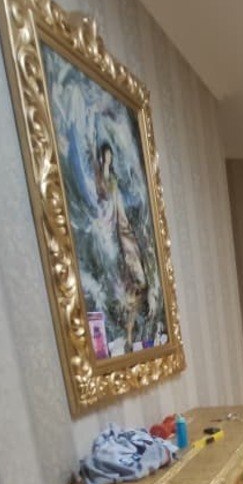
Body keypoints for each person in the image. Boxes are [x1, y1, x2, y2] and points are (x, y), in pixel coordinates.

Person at [95, 141, 148, 351]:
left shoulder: (113, 179)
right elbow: (103, 197)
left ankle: (130, 335)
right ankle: (128, 336)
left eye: (110, 156)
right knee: (130, 288)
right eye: (106, 156)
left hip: (121, 222)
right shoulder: (103, 179)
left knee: (138, 285)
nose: (109, 159)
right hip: (113, 223)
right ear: (103, 158)